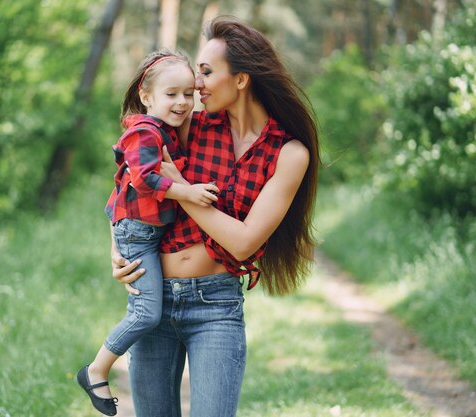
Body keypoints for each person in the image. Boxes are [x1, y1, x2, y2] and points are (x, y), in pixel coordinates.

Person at [111, 16, 320, 417]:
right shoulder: (191, 124)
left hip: (215, 306)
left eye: (206, 72)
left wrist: (180, 189)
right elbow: (128, 178)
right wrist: (116, 250)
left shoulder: (289, 153)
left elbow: (244, 241)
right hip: (152, 296)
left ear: (241, 79)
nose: (196, 85)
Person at [76, 50, 219, 416]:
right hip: (139, 236)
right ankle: (96, 370)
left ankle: (98, 368)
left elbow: (118, 188)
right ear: (146, 95)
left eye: (189, 93)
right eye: (171, 94)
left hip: (147, 236)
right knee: (146, 314)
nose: (183, 102)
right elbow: (141, 179)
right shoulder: (144, 132)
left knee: (147, 311)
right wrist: (187, 190)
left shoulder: (164, 132)